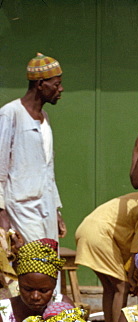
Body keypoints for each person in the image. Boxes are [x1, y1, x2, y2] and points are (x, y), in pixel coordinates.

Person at [0, 54, 65, 244]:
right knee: (34, 265)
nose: (60, 89)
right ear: (40, 84)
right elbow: (0, 165)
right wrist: (1, 211)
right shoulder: (10, 114)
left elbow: (48, 168)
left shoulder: (44, 117)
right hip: (21, 208)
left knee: (50, 265)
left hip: (45, 207)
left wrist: (55, 210)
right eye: (56, 84)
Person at [74, 193, 138, 322]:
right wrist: (131, 276)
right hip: (99, 234)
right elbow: (136, 246)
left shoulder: (137, 198)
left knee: (110, 288)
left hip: (86, 229)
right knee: (122, 288)